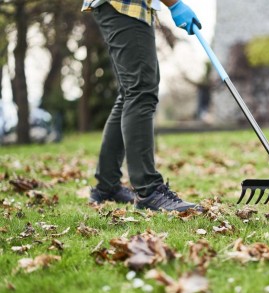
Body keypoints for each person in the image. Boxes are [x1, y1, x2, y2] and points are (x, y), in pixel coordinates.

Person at [81, 0, 202, 211]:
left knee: (130, 93)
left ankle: (107, 186)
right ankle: (148, 190)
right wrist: (174, 4)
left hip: (122, 7)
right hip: (124, 6)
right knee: (140, 91)